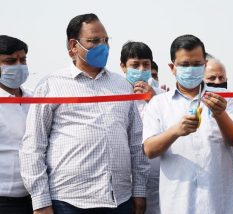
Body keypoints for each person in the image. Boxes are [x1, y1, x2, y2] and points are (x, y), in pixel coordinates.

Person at [20, 13, 149, 214]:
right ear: (73, 46)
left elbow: (135, 143)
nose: (103, 46)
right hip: (69, 202)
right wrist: (41, 201)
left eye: (106, 40)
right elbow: (33, 146)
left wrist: (139, 191)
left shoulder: (122, 86)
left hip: (119, 199)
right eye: (94, 41)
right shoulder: (51, 86)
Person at [142, 34, 233, 213]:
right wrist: (175, 131)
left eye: (197, 64)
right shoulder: (158, 103)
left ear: (205, 65)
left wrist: (220, 115)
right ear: (172, 68)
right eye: (184, 65)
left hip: (220, 201)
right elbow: (149, 150)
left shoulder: (223, 98)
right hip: (179, 203)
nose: (191, 69)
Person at [120, 41, 161, 214]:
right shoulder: (116, 96)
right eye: (135, 65)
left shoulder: (162, 97)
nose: (142, 69)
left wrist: (153, 100)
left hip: (157, 177)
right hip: (125, 180)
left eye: (146, 64)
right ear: (123, 67)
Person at [0, 35, 33, 214]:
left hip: (35, 196)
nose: (19, 66)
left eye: (23, 60)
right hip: (4, 198)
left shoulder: (35, 99)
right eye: (10, 61)